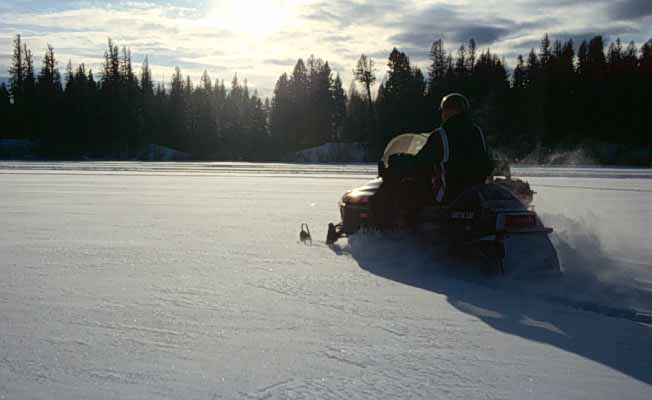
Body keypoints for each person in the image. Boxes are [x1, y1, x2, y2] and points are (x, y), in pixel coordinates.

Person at [370, 93, 491, 228]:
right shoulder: (478, 132)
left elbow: (419, 163)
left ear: (448, 111)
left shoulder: (441, 135)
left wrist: (399, 160)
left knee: (406, 189)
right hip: (474, 192)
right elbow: (488, 163)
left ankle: (401, 234)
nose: (442, 115)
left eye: (444, 111)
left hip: (448, 195)